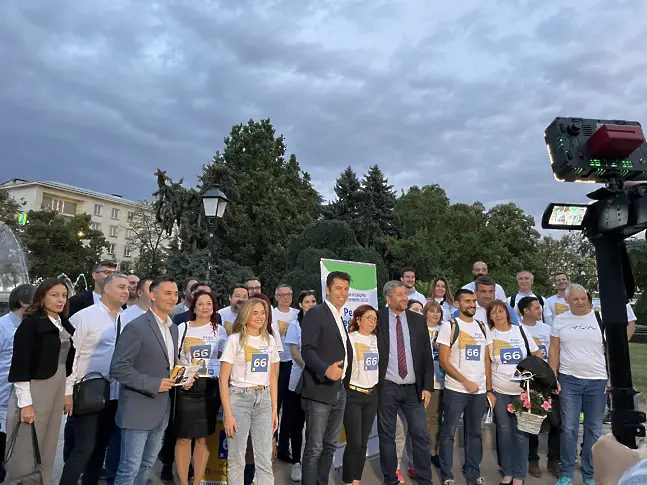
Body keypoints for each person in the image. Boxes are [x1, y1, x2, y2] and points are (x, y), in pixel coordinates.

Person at [110, 277, 187, 485]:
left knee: (146, 465)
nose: (173, 298)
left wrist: (183, 375)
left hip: (162, 408)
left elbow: (167, 362)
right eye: (167, 293)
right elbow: (118, 368)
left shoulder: (173, 328)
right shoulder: (136, 327)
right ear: (152, 295)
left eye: (175, 293)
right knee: (129, 468)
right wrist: (153, 384)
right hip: (137, 409)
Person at [4, 278, 76, 485]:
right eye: (55, 295)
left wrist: (67, 392)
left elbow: (68, 362)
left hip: (57, 388)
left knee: (49, 442)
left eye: (64, 295)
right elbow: (21, 364)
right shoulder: (31, 324)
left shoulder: (63, 323)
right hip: (35, 389)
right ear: (41, 298)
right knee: (26, 445)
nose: (61, 300)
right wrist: (25, 404)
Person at [59, 273, 129, 485]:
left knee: (100, 448)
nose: (126, 291)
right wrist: (67, 392)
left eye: (127, 287)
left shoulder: (126, 318)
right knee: (83, 449)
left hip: (115, 393)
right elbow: (70, 356)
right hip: (87, 392)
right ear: (107, 289)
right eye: (121, 287)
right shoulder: (85, 317)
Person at [549, 284, 608, 485]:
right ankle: (566, 473)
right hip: (569, 380)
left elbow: (611, 350)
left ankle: (589, 474)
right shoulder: (560, 320)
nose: (581, 302)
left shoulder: (600, 318)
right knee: (569, 428)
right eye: (575, 299)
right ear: (567, 301)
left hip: (598, 380)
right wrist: (553, 377)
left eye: (583, 298)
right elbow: (554, 350)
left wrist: (611, 377)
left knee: (594, 429)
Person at [376, 281, 434, 485]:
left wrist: (427, 387)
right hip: (387, 387)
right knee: (387, 436)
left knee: (421, 435)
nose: (404, 298)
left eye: (405, 294)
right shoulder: (377, 319)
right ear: (388, 298)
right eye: (399, 294)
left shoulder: (417, 320)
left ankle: (425, 479)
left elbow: (426, 355)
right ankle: (390, 479)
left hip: (413, 390)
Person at [219, 298, 281, 485]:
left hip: (264, 400)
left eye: (263, 313)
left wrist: (274, 409)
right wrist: (228, 413)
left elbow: (272, 377)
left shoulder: (270, 340)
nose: (260, 317)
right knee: (237, 459)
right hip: (239, 399)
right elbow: (223, 379)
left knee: (264, 459)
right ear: (246, 315)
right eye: (255, 313)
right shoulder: (234, 340)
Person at [300, 271, 354, 485]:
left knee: (331, 445)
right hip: (319, 389)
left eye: (346, 289)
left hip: (340, 390)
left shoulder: (339, 317)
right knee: (315, 447)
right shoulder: (316, 313)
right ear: (327, 290)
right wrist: (325, 370)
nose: (343, 293)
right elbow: (307, 350)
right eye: (339, 288)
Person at [437, 288, 492, 485]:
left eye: (474, 301)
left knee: (475, 434)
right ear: (457, 304)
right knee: (448, 433)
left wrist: (489, 389)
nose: (472, 304)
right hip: (456, 390)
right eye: (467, 301)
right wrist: (465, 381)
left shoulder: (482, 327)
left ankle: (473, 474)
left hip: (479, 391)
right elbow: (444, 361)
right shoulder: (449, 326)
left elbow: (486, 360)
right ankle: (447, 475)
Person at [487, 300, 542, 485]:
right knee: (504, 432)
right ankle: (508, 472)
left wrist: (529, 372)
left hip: (522, 392)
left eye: (501, 311)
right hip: (500, 391)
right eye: (494, 312)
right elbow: (486, 364)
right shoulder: (489, 335)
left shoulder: (521, 331)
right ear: (490, 316)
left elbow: (537, 354)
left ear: (507, 312)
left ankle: (519, 476)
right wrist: (489, 390)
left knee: (521, 432)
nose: (498, 315)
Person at [175, 290, 226, 485]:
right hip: (186, 386)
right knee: (183, 437)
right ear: (193, 308)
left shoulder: (219, 330)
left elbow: (223, 357)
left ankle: (197, 481)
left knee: (203, 438)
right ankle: (183, 482)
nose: (205, 307)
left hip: (209, 388)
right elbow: (174, 356)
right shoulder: (183, 328)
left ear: (214, 307)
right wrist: (185, 372)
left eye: (209, 304)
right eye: (201, 304)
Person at [519, 296, 560, 478]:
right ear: (526, 311)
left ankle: (554, 460)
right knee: (532, 421)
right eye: (536, 308)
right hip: (530, 382)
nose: (540, 310)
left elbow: (554, 352)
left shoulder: (547, 329)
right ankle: (532, 460)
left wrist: (554, 377)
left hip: (548, 379)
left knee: (557, 422)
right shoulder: (519, 329)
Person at [0, 283, 35, 479]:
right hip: (3, 401)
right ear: (23, 303)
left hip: (23, 402)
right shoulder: (2, 327)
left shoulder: (32, 327)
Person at [342, 304, 380, 485]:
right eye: (368, 318)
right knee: (354, 442)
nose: (372, 322)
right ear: (358, 320)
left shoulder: (377, 340)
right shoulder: (349, 339)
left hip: (372, 396)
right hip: (353, 395)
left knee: (363, 442)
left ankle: (356, 479)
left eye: (375, 319)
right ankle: (348, 480)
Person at [283, 290, 317, 482]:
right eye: (306, 302)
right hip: (299, 379)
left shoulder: (322, 323)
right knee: (297, 423)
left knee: (315, 424)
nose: (310, 304)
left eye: (313, 301)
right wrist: (311, 367)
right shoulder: (295, 325)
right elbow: (294, 352)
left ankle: (311, 463)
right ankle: (296, 462)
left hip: (317, 380)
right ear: (300, 305)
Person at [274, 284, 299, 463]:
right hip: (275, 364)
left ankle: (284, 447)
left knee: (289, 410)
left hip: (292, 364)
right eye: (281, 295)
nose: (285, 297)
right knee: (274, 407)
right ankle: (271, 445)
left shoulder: (297, 314)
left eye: (288, 294)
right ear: (276, 297)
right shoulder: (271, 313)